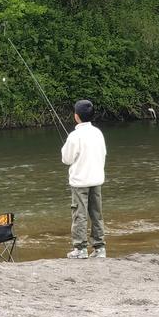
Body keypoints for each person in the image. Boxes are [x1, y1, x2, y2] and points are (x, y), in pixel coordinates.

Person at [61, 99, 107, 259]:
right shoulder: (98, 133)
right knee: (96, 214)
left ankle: (80, 248)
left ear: (76, 116)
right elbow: (104, 154)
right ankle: (100, 248)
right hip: (96, 180)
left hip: (80, 182)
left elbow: (66, 159)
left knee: (79, 214)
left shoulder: (75, 136)